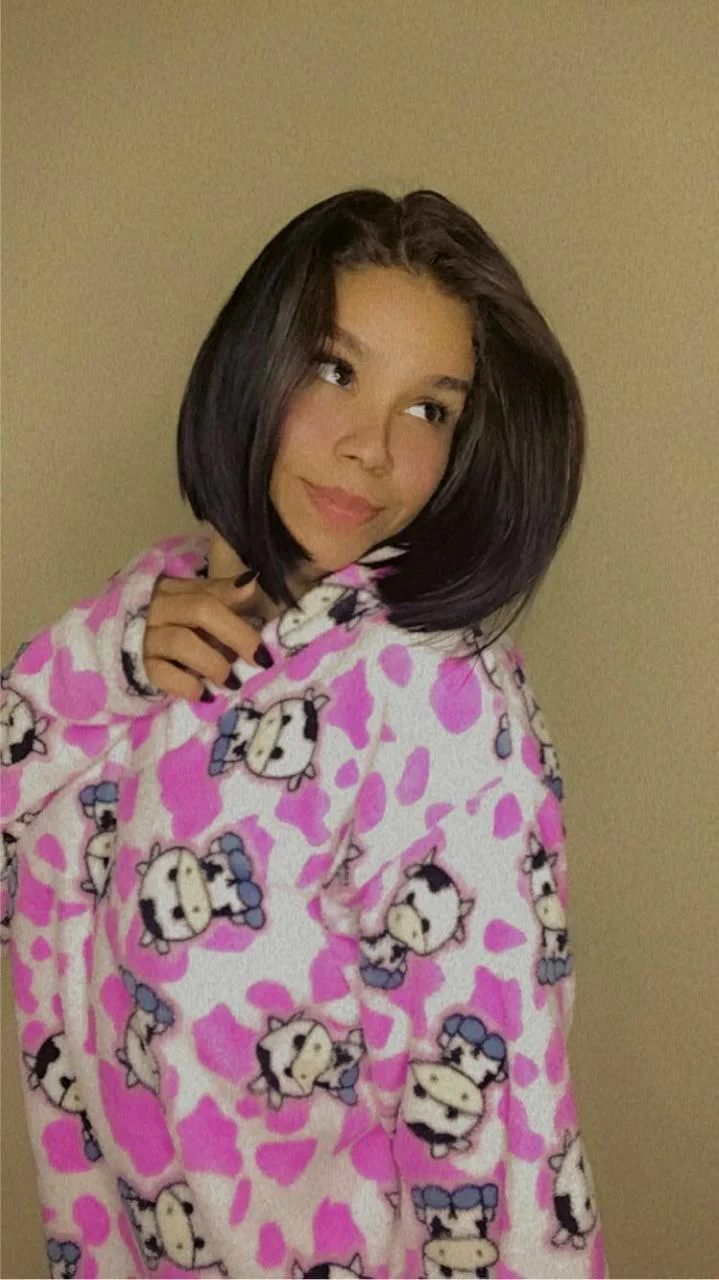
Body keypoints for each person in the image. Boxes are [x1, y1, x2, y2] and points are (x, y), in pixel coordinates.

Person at [1, 187, 608, 1279]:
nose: (370, 447)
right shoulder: (149, 613)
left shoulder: (433, 697)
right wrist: (105, 663)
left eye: (429, 410)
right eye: (334, 370)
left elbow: (498, 1133)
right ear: (256, 363)